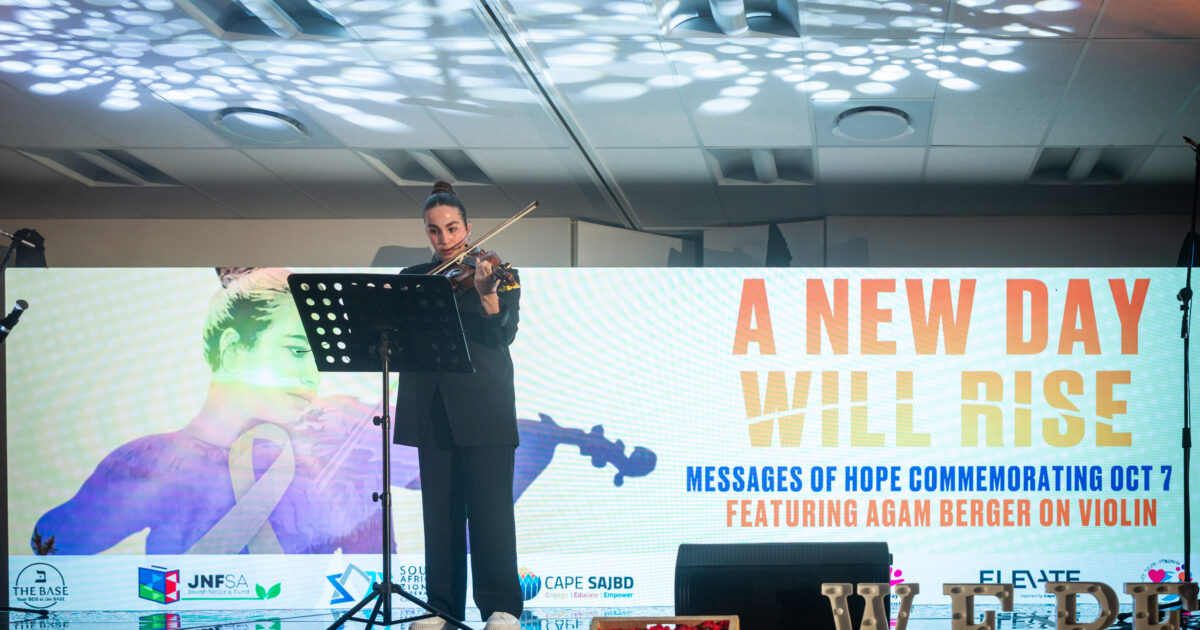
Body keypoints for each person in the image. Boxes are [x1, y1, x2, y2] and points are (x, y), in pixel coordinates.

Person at [32, 268, 399, 555]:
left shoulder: (343, 456)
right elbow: (51, 547)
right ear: (233, 350)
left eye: (320, 357)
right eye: (296, 350)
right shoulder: (149, 460)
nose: (313, 375)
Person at [394, 181, 524, 630]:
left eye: (452, 228)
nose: (444, 238)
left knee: (491, 514)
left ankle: (501, 608)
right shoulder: (414, 279)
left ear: (468, 228)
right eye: (434, 230)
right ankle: (442, 607)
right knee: (440, 516)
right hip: (433, 410)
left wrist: (487, 293)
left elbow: (502, 333)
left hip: (485, 409)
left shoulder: (500, 273)